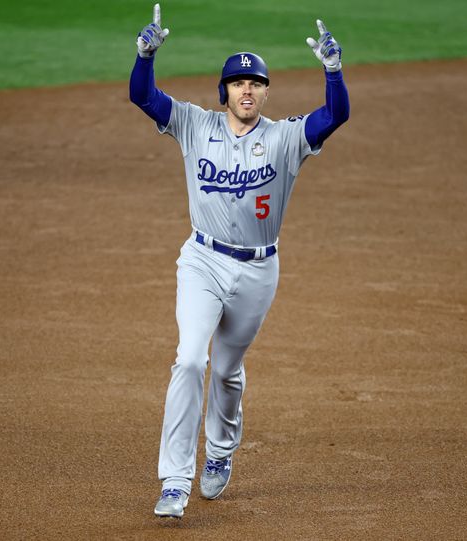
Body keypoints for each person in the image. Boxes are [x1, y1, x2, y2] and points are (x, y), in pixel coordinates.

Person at [129, 3, 349, 519]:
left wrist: (333, 72)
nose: (247, 90)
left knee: (226, 369)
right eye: (237, 83)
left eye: (256, 83)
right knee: (189, 359)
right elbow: (144, 96)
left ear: (266, 92)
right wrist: (145, 55)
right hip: (202, 261)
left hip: (258, 271)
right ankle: (174, 480)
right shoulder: (192, 124)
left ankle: (221, 454)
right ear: (223, 91)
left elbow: (335, 115)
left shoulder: (285, 138)